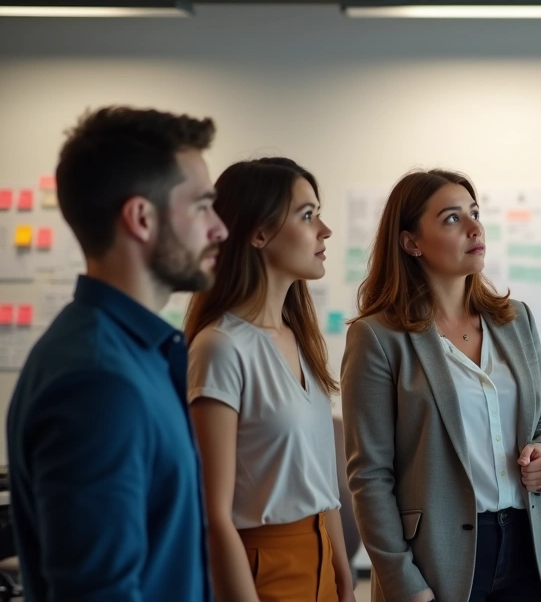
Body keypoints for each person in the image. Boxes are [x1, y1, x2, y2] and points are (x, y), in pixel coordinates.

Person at [6, 106, 228, 600]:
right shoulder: (98, 381)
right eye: (201, 206)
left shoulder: (136, 353)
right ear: (141, 218)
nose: (219, 229)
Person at [342, 169, 541, 602]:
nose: (474, 227)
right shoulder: (377, 337)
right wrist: (402, 580)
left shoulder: (515, 319)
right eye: (451, 218)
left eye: (475, 213)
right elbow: (369, 475)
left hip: (528, 544)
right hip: (437, 558)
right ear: (411, 242)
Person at [184, 158, 354, 602]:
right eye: (307, 215)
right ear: (258, 234)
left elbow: (324, 485)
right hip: (261, 571)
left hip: (322, 558)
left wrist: (344, 580)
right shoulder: (220, 346)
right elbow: (212, 513)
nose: (325, 231)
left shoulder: (300, 340)